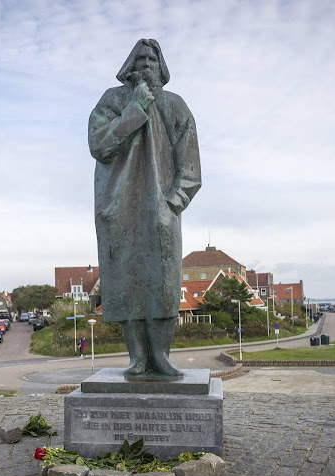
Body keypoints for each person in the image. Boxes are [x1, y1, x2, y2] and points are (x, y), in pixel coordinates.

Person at [89, 39, 201, 379]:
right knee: (126, 283)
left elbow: (190, 163)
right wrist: (134, 109)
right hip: (118, 208)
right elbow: (100, 145)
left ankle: (161, 357)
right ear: (130, 65)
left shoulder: (175, 106)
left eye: (153, 58)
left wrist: (175, 202)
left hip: (160, 209)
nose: (147, 63)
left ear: (162, 66)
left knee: (163, 283)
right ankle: (137, 358)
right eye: (141, 58)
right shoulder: (112, 100)